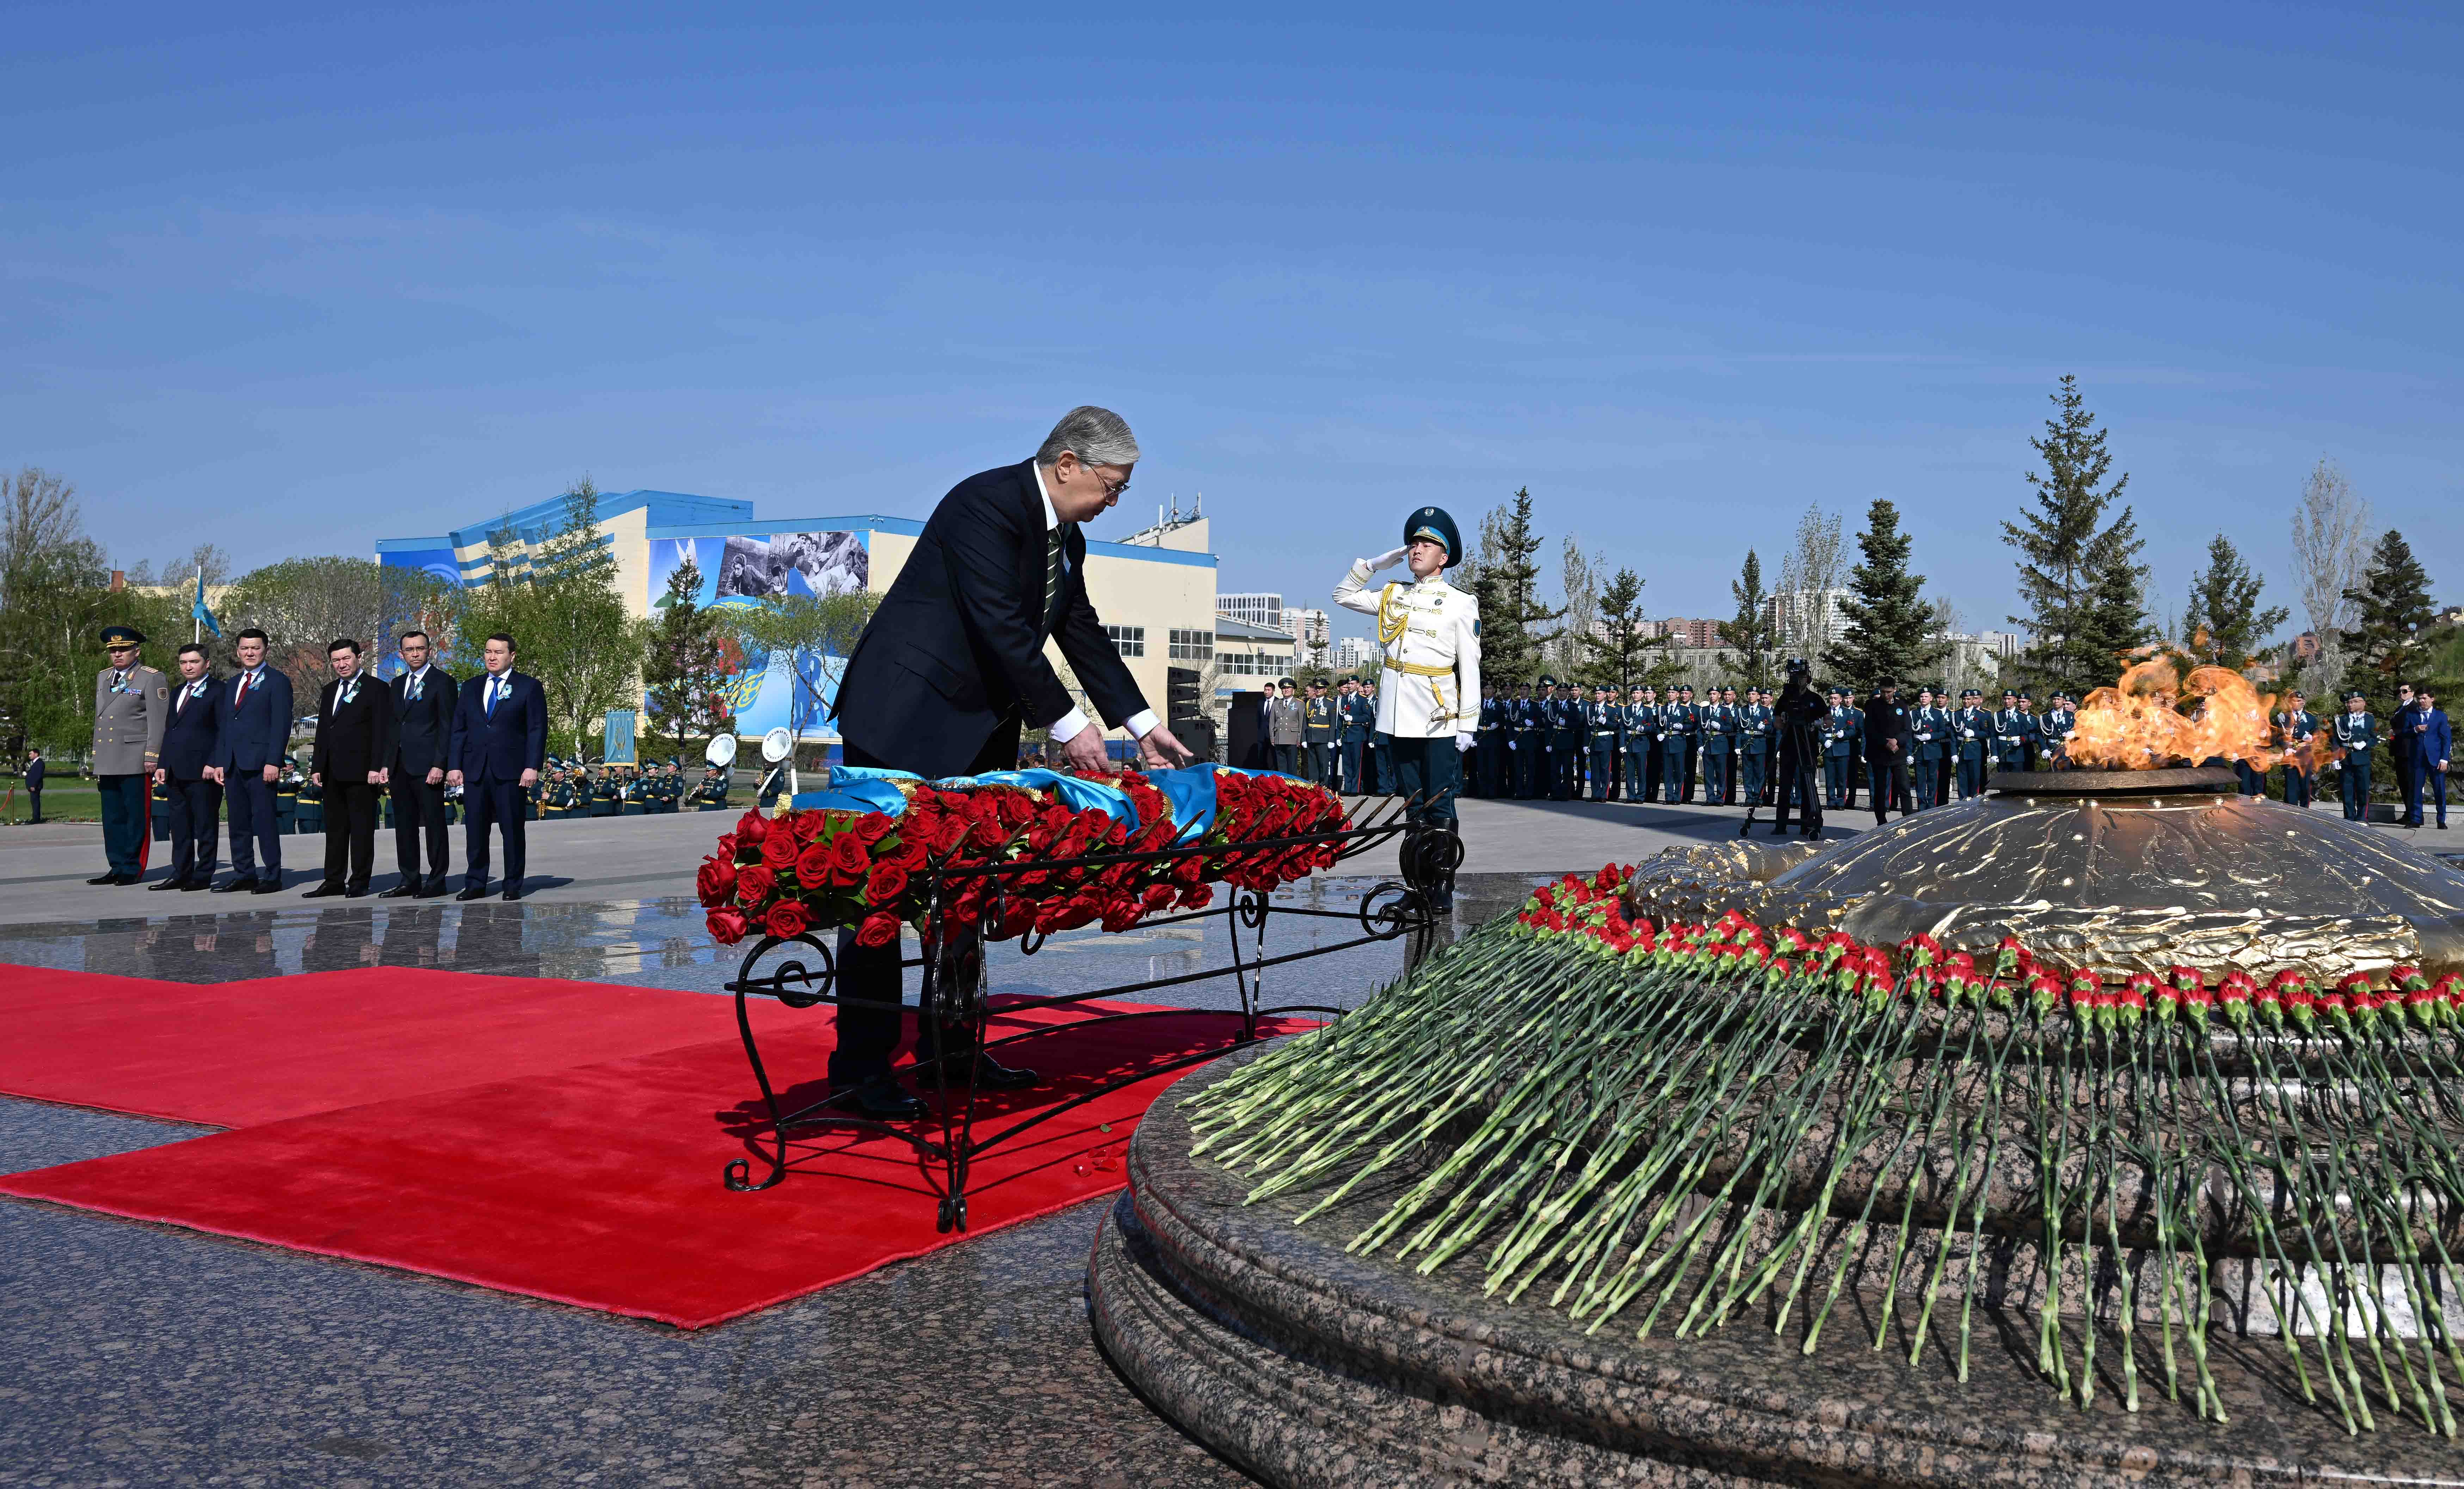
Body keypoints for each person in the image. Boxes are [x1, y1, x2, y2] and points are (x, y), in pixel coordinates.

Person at [825, 406, 1191, 1117]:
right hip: (902, 719)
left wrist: (1142, 725)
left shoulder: (1067, 541)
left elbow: (1080, 631)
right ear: (1067, 465)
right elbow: (999, 624)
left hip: (975, 731)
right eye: (1112, 486)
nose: (1116, 501)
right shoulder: (984, 505)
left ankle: (951, 1052)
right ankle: (860, 1070)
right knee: (877, 896)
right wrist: (1069, 725)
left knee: (966, 891)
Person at [1333, 504, 1478, 910]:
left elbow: (1470, 667)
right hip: (1397, 716)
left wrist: (1468, 724)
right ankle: (1416, 887)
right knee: (1412, 804)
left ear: (1443, 558)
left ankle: (1443, 887)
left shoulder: (1459, 603)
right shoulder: (1392, 594)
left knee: (1440, 802)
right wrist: (1372, 566)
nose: (1417, 549)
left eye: (1427, 545)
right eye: (1413, 543)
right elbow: (1342, 595)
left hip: (1437, 717)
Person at [448, 632, 549, 901]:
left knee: (512, 829)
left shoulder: (528, 687)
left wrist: (532, 766)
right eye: (488, 652)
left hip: (511, 771)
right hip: (475, 770)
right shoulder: (470, 687)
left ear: (512, 656)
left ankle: (513, 883)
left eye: (498, 652)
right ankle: (475, 883)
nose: (492, 657)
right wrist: (454, 765)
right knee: (475, 830)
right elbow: (459, 729)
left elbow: (537, 729)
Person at [306, 639, 396, 899]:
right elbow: (324, 730)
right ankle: (333, 880)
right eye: (336, 660)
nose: (342, 664)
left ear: (359, 658)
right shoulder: (330, 690)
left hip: (362, 772)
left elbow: (382, 731)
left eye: (346, 658)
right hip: (332, 772)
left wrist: (377, 767)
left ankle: (359, 880)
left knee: (361, 830)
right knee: (335, 830)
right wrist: (318, 765)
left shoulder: (377, 688)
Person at [209, 628, 295, 894]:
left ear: (266, 650)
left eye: (256, 648)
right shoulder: (233, 684)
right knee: (238, 824)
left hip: (261, 764)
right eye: (245, 648)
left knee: (265, 822)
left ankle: (272, 876)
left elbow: (281, 725)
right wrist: (221, 761)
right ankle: (244, 873)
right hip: (234, 763)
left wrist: (274, 761)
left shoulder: (277, 681)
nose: (250, 653)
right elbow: (225, 726)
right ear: (238, 651)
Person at [88, 625, 170, 886]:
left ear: (137, 651)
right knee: (112, 818)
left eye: (123, 650)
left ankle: (133, 867)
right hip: (108, 758)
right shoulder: (104, 677)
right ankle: (116, 865)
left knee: (136, 817)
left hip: (135, 757)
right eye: (113, 650)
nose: (117, 654)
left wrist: (153, 756)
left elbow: (158, 722)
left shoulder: (150, 678)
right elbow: (101, 719)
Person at [383, 630, 458, 898]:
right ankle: (410, 879)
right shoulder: (397, 684)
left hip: (428, 767)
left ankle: (437, 880)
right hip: (400, 767)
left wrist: (440, 764)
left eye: (420, 648)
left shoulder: (443, 682)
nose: (415, 654)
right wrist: (386, 763)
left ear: (429, 651)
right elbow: (392, 726)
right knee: (404, 826)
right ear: (401, 654)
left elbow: (448, 726)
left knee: (434, 825)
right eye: (409, 650)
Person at [149, 643, 225, 891]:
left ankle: (203, 874)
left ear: (207, 664)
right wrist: (163, 763)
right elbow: (170, 731)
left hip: (203, 772)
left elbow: (223, 731)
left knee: (205, 826)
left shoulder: (219, 691)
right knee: (179, 827)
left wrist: (214, 762)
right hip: (175, 771)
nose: (188, 667)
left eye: (194, 662)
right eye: (184, 663)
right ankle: (181, 873)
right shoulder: (178, 691)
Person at [1768, 658, 1827, 838]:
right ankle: (1781, 825)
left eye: (1802, 677)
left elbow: (1828, 719)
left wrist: (1816, 724)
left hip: (1807, 745)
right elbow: (1776, 721)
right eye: (1796, 677)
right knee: (1785, 786)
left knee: (1807, 786)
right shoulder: (1785, 698)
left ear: (1807, 679)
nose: (1798, 681)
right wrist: (1784, 722)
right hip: (1789, 746)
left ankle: (1807, 825)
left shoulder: (1815, 699)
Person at [1865, 679, 1914, 824]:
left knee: (1905, 788)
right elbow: (1870, 730)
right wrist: (1886, 743)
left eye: (1889, 692)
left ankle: (1908, 820)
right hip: (1879, 753)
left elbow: (1907, 730)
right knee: (1880, 790)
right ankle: (1881, 822)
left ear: (1895, 690)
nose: (1886, 695)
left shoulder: (1902, 706)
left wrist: (1897, 741)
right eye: (1883, 692)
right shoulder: (1873, 706)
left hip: (1898, 753)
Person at [2405, 685, 2449, 829]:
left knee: (2439, 790)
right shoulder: (2412, 715)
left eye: (2425, 698)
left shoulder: (2440, 716)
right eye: (2419, 699)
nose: (2422, 701)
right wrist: (2415, 730)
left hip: (2436, 759)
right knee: (2416, 790)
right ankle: (2416, 819)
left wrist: (2444, 759)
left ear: (2432, 699)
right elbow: (2404, 733)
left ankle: (2441, 820)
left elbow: (2446, 739)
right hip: (2418, 758)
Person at [2333, 691, 2376, 821]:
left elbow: (2374, 738)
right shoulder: (2341, 720)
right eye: (2349, 702)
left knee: (2363, 790)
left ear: (2363, 703)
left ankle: (2362, 818)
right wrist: (2335, 758)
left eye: (2355, 702)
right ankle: (2349, 818)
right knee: (2347, 791)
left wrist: (2365, 744)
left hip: (2362, 758)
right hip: (2346, 758)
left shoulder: (2370, 719)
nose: (2350, 705)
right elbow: (2335, 741)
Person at [2277, 692, 2318, 808]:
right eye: (2294, 701)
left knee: (2305, 786)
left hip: (2305, 755)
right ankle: (2291, 810)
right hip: (2290, 756)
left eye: (2300, 701)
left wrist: (2312, 739)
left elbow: (2317, 734)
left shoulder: (2311, 718)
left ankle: (2305, 810)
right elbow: (2278, 736)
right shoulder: (2283, 717)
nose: (2297, 703)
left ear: (2304, 702)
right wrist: (2285, 748)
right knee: (2291, 786)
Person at [1699, 685, 1734, 805]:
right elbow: (1700, 730)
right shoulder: (1703, 711)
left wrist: (1721, 727)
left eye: (1714, 694)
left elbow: (1730, 728)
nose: (1712, 696)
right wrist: (1700, 745)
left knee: (1721, 774)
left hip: (1720, 744)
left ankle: (1720, 798)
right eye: (1710, 694)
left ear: (1719, 696)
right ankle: (1710, 798)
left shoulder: (1725, 710)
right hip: (1707, 745)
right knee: (1708, 774)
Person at [1585, 684, 1620, 802]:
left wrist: (1605, 722)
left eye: (1600, 694)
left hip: (1605, 742)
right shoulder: (1590, 708)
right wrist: (1585, 744)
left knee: (1605, 770)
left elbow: (1616, 726)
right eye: (1596, 694)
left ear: (1605, 695)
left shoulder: (1611, 709)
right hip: (1593, 742)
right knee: (1595, 771)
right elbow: (1587, 728)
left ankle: (1604, 795)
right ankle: (1595, 794)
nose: (1597, 696)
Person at [1337, 678, 1371, 794]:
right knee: (1347, 763)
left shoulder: (1362, 700)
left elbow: (1367, 717)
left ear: (1358, 685)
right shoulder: (1344, 699)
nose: (1350, 686)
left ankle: (1355, 789)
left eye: (1352, 684)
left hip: (1357, 734)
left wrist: (1353, 718)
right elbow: (1340, 719)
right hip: (1346, 735)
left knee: (1356, 763)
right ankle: (1348, 788)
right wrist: (1338, 736)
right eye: (1349, 684)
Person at [1955, 689, 1990, 800]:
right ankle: (1963, 803)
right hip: (1961, 751)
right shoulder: (1957, 714)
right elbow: (1952, 735)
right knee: (1962, 780)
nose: (1966, 701)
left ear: (1973, 700)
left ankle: (1975, 802)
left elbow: (1987, 733)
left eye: (1968, 699)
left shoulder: (1981, 715)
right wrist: (1953, 753)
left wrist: (1974, 733)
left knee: (1975, 780)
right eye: (1964, 699)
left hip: (1975, 751)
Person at [2393, 684, 2421, 819]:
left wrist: (2396, 732)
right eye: (2400, 691)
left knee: (2410, 784)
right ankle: (2409, 813)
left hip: (2410, 750)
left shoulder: (2415, 708)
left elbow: (2414, 729)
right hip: (2400, 750)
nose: (2401, 694)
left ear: (2412, 693)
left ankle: (2415, 815)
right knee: (2403, 783)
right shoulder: (2400, 709)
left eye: (2405, 691)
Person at [1473, 681, 1505, 798]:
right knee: (1481, 767)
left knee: (1493, 767)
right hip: (1481, 738)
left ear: (1494, 690)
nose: (1488, 691)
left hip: (1493, 738)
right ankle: (1482, 792)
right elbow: (1473, 722)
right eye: (1486, 688)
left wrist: (1498, 725)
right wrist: (1473, 738)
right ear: (1483, 691)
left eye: (1490, 688)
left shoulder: (1499, 705)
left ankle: (1492, 793)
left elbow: (1504, 721)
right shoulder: (1478, 704)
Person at [1362, 678, 1395, 793]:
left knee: (1392, 766)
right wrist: (1371, 739)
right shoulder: (1377, 703)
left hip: (1390, 739)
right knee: (1381, 766)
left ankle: (1392, 789)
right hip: (1379, 738)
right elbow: (1373, 722)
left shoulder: (1393, 704)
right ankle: (1383, 789)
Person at [1302, 679, 1337, 785]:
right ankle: (1314, 786)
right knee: (1312, 765)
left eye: (1321, 688)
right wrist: (1304, 739)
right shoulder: (1310, 703)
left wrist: (1331, 740)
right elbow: (1305, 722)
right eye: (1317, 688)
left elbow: (1333, 723)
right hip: (1311, 737)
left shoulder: (1330, 704)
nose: (1318, 690)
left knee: (1323, 764)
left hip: (1323, 738)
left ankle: (1324, 786)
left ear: (1325, 690)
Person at [1266, 678, 1302, 774]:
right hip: (1279, 738)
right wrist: (1272, 738)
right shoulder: (1276, 704)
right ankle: (1283, 783)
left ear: (1293, 690)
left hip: (1292, 739)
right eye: (1284, 688)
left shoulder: (1299, 704)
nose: (1286, 690)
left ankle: (1292, 783)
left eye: (1289, 688)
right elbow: (1272, 722)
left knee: (1292, 767)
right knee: (1281, 767)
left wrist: (1299, 739)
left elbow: (1301, 723)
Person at [24, 748, 45, 824]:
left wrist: (34, 785)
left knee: (35, 802)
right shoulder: (34, 763)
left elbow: (38, 776)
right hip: (32, 787)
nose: (29, 756)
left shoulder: (40, 763)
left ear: (36, 754)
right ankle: (35, 818)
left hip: (35, 787)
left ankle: (36, 819)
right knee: (34, 802)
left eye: (31, 754)